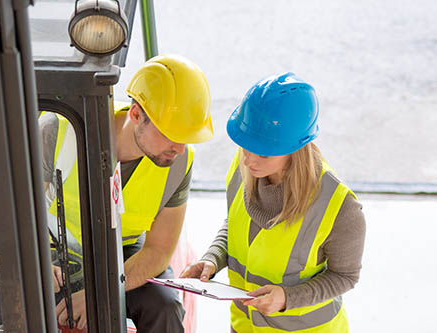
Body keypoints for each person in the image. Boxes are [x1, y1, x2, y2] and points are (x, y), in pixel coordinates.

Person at [181, 72, 366, 332]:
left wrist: (288, 298)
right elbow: (236, 225)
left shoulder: (339, 207)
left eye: (262, 153)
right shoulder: (246, 166)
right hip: (245, 325)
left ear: (294, 149)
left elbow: (345, 276)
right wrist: (213, 258)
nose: (247, 160)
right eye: (246, 147)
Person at [40, 54, 213, 332]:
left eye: (186, 137)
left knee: (165, 306)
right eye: (171, 133)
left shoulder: (178, 161)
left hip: (122, 249)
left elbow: (158, 250)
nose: (179, 148)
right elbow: (15, 212)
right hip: (47, 244)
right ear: (135, 115)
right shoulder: (57, 131)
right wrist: (36, 259)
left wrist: (100, 293)